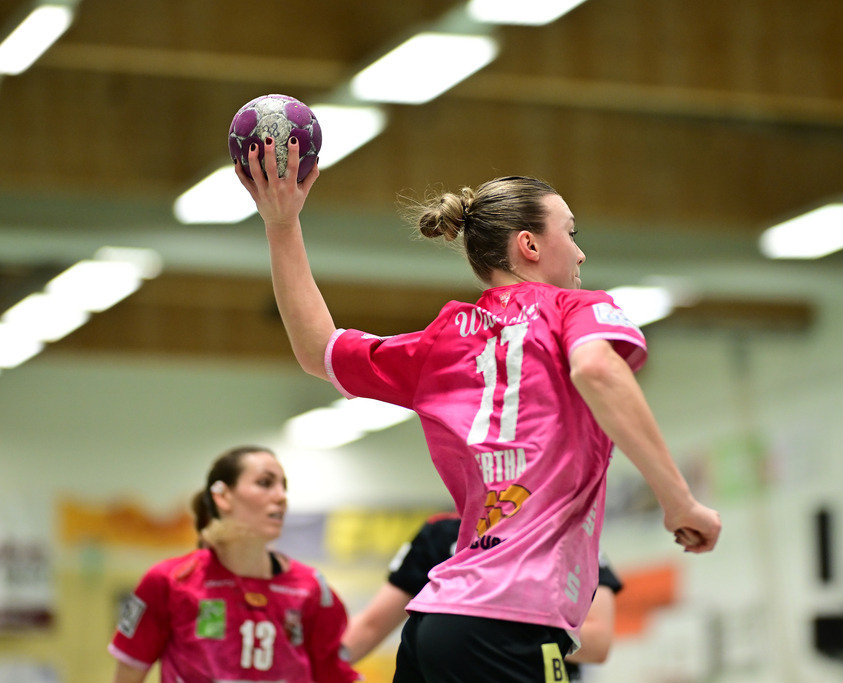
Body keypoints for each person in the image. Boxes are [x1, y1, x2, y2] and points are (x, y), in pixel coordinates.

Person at [236, 138, 721, 682]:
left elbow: (317, 351)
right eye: (570, 233)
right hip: (510, 624)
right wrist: (680, 503)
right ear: (529, 245)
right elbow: (597, 370)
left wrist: (281, 225)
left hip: (437, 620)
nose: (580, 252)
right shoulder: (575, 309)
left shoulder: (441, 341)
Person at [108, 445, 360, 683]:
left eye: (284, 487)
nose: (281, 497)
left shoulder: (310, 588)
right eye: (265, 483)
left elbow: (334, 675)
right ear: (222, 497)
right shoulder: (169, 581)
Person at [342, 512, 623, 680]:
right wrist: (316, 666)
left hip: (523, 669)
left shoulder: (565, 536)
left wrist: (494, 626)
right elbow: (371, 626)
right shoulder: (441, 534)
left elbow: (599, 642)